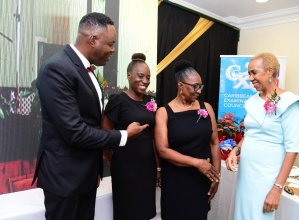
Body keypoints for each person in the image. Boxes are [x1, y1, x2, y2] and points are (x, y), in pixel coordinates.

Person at [32, 13, 148, 220]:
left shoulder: (87, 70)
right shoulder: (57, 68)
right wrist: (124, 135)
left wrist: (94, 170)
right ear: (92, 40)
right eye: (110, 44)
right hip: (64, 178)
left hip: (84, 175)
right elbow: (74, 132)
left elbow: (90, 121)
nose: (113, 50)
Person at [225, 52, 299, 220]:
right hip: (246, 174)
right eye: (249, 73)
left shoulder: (289, 103)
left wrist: (277, 188)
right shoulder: (253, 101)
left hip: (267, 178)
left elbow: (292, 150)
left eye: (254, 72)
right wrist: (236, 150)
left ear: (270, 71)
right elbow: (251, 133)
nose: (250, 78)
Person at [154, 60, 221, 220]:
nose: (199, 91)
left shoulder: (207, 108)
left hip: (200, 180)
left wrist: (216, 176)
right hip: (176, 180)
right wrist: (197, 163)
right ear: (180, 85)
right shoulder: (164, 112)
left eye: (201, 86)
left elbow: (214, 143)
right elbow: (163, 150)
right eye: (195, 86)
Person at [101, 53, 160, 220]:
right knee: (127, 212)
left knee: (145, 212)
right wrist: (113, 161)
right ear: (129, 76)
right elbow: (104, 135)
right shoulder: (117, 100)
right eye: (140, 76)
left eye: (148, 77)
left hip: (147, 168)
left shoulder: (151, 101)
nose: (145, 81)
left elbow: (154, 137)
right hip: (125, 168)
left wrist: (157, 167)